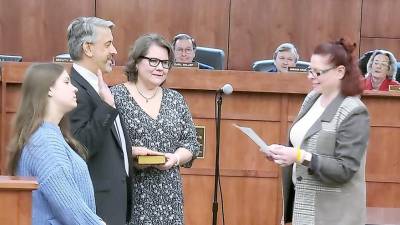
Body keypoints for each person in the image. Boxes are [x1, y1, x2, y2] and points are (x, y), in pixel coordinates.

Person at [266, 39, 370, 225]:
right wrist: (282, 151)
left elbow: (345, 169)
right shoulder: (312, 98)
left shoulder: (354, 111)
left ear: (340, 72)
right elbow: (304, 143)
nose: (310, 76)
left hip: (333, 215)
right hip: (303, 210)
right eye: (310, 70)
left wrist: (298, 156)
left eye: (318, 72)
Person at [110, 33, 200, 225]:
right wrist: (133, 154)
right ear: (136, 62)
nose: (160, 67)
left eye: (165, 63)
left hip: (168, 195)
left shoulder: (176, 100)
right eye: (153, 61)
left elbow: (191, 144)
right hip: (129, 192)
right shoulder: (114, 96)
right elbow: (105, 146)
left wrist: (174, 158)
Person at [7, 63, 106, 225]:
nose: (75, 89)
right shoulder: (44, 141)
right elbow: (68, 206)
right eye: (66, 82)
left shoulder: (51, 135)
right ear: (49, 89)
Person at [67, 16, 133, 225]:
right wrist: (106, 107)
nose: (114, 51)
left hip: (114, 205)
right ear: (88, 48)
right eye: (108, 44)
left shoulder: (100, 87)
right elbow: (81, 147)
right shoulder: (73, 90)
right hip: (96, 208)